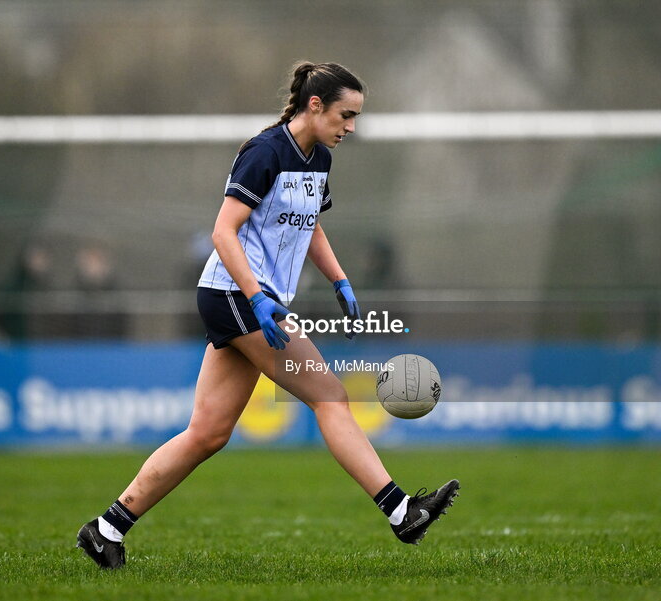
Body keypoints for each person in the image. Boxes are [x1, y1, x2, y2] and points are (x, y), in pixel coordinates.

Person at [76, 62, 459, 570]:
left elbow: (310, 228)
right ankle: (401, 512)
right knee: (330, 395)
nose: (351, 128)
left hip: (244, 298)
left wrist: (340, 279)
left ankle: (105, 530)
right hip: (236, 294)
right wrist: (257, 296)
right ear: (315, 106)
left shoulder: (318, 157)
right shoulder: (265, 152)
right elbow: (222, 232)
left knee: (208, 433)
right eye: (346, 115)